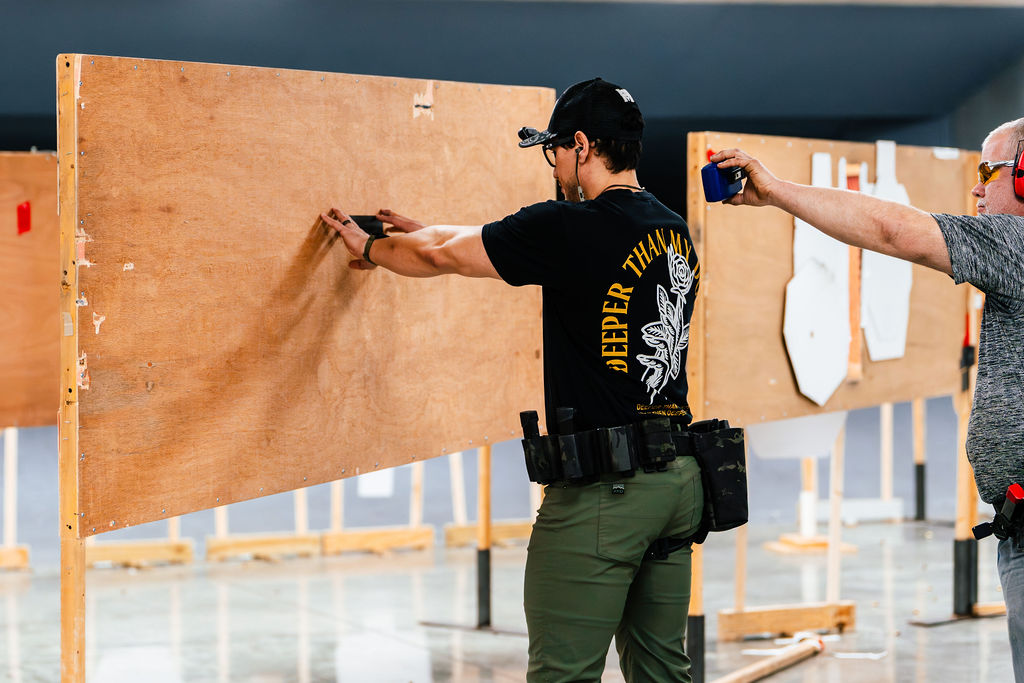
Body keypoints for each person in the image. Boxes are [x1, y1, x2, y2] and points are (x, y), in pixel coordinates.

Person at [322, 78, 704, 682]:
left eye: (554, 150)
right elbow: (485, 243)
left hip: (606, 492)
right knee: (662, 672)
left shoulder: (569, 226)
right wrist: (427, 230)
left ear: (581, 145)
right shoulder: (672, 228)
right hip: (677, 483)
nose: (553, 163)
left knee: (563, 674)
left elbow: (442, 256)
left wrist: (368, 248)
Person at [711, 117, 1024, 680]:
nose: (976, 187)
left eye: (989, 170)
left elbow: (891, 231)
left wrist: (777, 190)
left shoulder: (1019, 246)